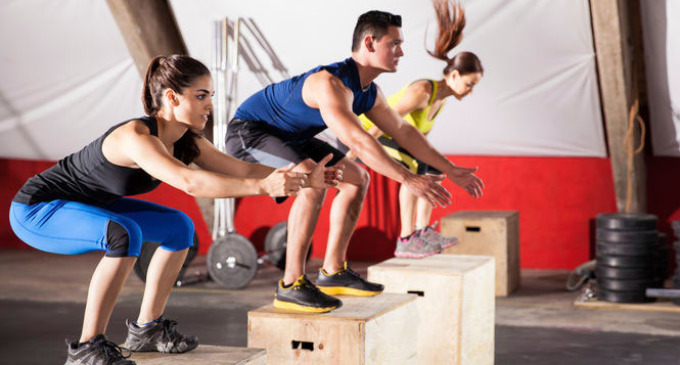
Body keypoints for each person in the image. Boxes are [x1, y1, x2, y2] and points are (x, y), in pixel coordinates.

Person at [8, 55, 341, 365]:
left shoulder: (187, 140)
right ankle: (87, 348)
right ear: (171, 97)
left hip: (88, 206)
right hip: (37, 210)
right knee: (123, 234)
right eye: (200, 96)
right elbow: (190, 183)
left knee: (179, 226)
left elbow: (238, 170)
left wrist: (304, 178)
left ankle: (146, 330)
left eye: (210, 95)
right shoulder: (136, 136)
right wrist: (264, 187)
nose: (210, 104)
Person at [225, 9, 484, 313]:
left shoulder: (369, 92)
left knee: (357, 179)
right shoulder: (332, 84)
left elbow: (403, 131)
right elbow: (359, 140)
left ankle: (333, 271)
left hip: (290, 138)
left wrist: (450, 169)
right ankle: (291, 284)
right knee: (312, 179)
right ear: (370, 43)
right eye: (395, 44)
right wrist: (409, 178)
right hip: (250, 131)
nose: (402, 51)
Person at [355, 0, 484, 258]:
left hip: (393, 136)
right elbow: (385, 121)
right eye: (469, 84)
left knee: (434, 169)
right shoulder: (423, 92)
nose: (470, 92)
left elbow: (419, 140)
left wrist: (440, 163)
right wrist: (358, 148)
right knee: (415, 169)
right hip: (370, 129)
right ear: (454, 75)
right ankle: (406, 238)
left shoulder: (441, 100)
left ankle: (422, 231)